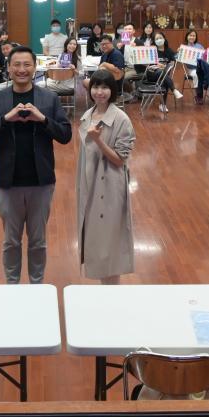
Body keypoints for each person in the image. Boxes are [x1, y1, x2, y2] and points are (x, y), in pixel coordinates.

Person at [0, 47, 72, 284]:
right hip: (8, 182)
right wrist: (5, 119)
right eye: (16, 65)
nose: (22, 70)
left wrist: (43, 119)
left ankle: (36, 286)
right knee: (11, 241)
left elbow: (65, 135)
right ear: (8, 68)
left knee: (38, 242)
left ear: (35, 68)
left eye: (27, 64)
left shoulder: (49, 99)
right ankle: (12, 286)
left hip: (41, 182)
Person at [77, 70, 136, 284]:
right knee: (96, 239)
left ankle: (111, 293)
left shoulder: (121, 119)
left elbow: (120, 160)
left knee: (110, 244)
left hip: (110, 186)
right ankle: (104, 292)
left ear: (113, 90)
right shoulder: (88, 115)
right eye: (95, 86)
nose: (99, 92)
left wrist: (99, 141)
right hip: (90, 184)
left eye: (105, 87)